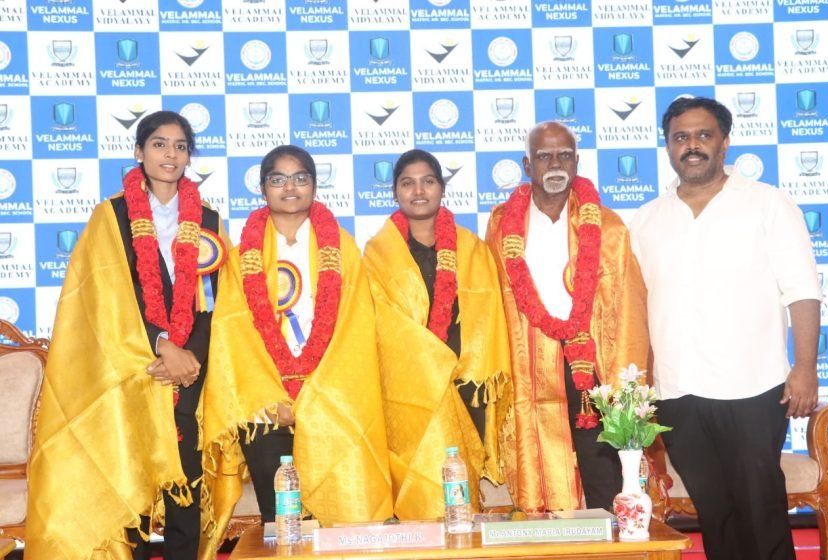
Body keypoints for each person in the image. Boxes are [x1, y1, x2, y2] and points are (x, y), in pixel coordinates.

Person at [25, 111, 226, 559]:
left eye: (180, 146)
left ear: (189, 156)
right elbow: (105, 297)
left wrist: (189, 357)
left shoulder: (208, 220)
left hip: (190, 372)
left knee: (186, 482)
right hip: (131, 367)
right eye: (159, 144)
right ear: (139, 152)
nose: (170, 154)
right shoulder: (111, 216)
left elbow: (214, 301)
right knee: (130, 478)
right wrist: (162, 346)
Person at [630, 97, 821, 560]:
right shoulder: (647, 219)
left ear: (725, 142)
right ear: (668, 146)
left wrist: (805, 367)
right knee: (714, 514)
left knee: (761, 510)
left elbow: (802, 290)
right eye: (681, 137)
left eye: (703, 135)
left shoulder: (767, 203)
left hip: (752, 388)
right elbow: (637, 308)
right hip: (677, 392)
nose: (692, 145)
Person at [199, 145, 392, 553]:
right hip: (265, 406)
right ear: (263, 188)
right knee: (282, 520)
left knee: (338, 520)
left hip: (331, 400)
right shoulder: (241, 257)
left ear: (315, 186)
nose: (290, 187)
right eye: (278, 179)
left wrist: (313, 396)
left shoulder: (343, 249)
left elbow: (355, 329)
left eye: (300, 177)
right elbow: (234, 335)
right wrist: (274, 398)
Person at [485, 121, 649, 513]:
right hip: (530, 363)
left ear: (577, 161)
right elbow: (493, 299)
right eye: (544, 156)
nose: (555, 164)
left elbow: (628, 305)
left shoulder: (608, 227)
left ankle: (613, 539)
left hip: (591, 364)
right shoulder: (502, 224)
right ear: (528, 164)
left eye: (564, 155)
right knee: (540, 464)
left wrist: (625, 381)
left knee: (602, 470)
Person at [363, 149, 511, 520]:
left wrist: (458, 365)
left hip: (463, 379)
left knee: (460, 480)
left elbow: (488, 316)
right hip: (407, 388)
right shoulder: (377, 253)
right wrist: (428, 364)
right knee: (415, 476)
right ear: (395, 192)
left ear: (442, 189)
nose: (418, 191)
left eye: (428, 181)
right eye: (408, 183)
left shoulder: (471, 248)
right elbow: (382, 322)